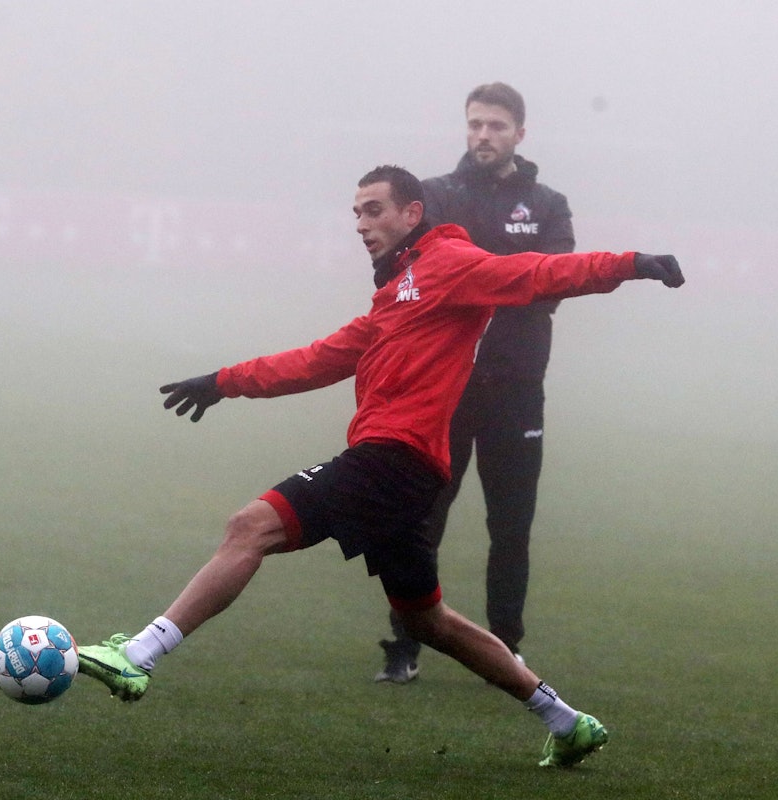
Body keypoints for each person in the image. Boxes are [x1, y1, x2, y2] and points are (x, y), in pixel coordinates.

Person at [77, 165, 684, 768]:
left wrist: (632, 263)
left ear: (412, 213)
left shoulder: (449, 265)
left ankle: (138, 655)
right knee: (428, 620)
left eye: (374, 209)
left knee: (250, 527)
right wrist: (222, 382)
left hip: (392, 459)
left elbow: (538, 272)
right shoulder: (392, 299)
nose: (362, 224)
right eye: (356, 214)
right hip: (410, 472)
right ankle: (567, 721)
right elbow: (313, 360)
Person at [375, 82, 574, 682]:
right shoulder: (434, 197)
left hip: (516, 390)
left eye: (496, 125)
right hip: (444, 390)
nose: (483, 135)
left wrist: (473, 280)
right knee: (423, 518)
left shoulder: (547, 204)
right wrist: (503, 279)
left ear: (520, 132)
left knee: (510, 526)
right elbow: (406, 273)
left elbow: (555, 281)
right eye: (475, 124)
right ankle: (405, 645)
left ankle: (507, 650)